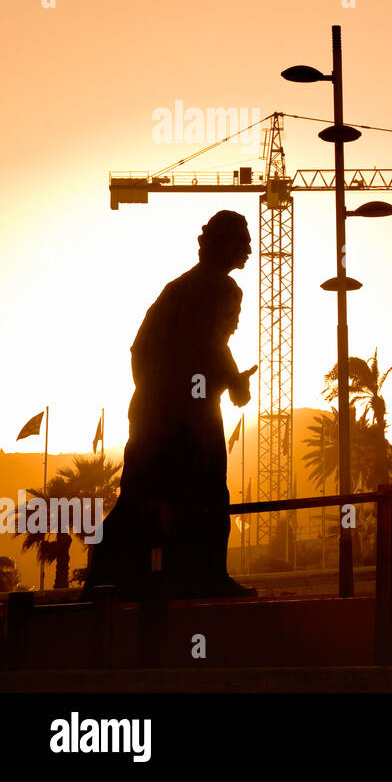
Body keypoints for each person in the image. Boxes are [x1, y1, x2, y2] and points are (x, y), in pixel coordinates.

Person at [85, 211, 258, 600]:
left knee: (141, 493)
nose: (249, 248)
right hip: (189, 412)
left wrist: (153, 396)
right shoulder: (222, 288)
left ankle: (111, 577)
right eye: (242, 239)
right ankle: (208, 575)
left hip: (153, 410)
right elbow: (211, 342)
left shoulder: (175, 289)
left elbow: (141, 349)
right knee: (210, 491)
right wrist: (233, 385)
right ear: (221, 243)